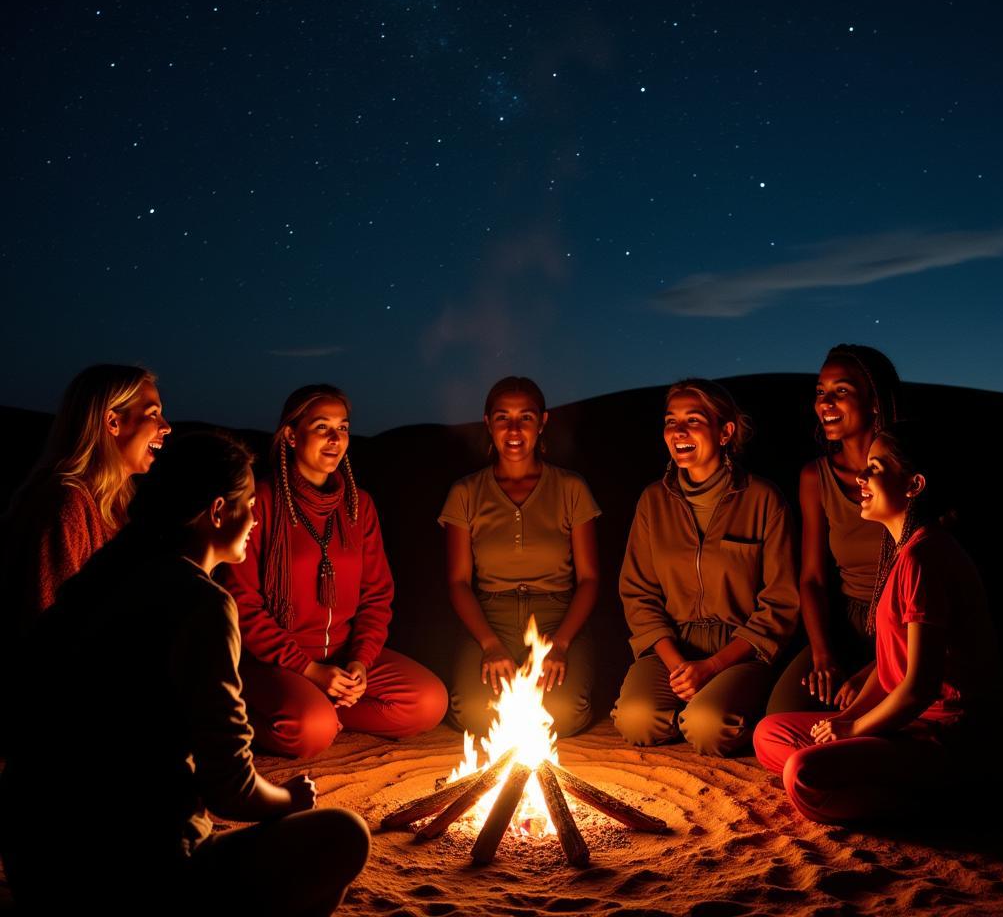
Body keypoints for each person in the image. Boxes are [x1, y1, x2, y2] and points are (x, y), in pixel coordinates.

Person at [0, 432, 370, 917]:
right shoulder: (201, 602)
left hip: (39, 869)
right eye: (248, 506)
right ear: (217, 511)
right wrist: (289, 799)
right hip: (133, 876)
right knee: (344, 834)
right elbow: (231, 788)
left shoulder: (102, 576)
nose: (256, 519)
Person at [753, 423, 1003, 824]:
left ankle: (943, 806)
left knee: (802, 773)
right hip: (902, 726)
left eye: (875, 467)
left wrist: (855, 729)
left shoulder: (924, 558)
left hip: (946, 739)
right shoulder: (904, 551)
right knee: (770, 733)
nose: (862, 476)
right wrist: (845, 719)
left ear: (914, 484)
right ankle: (875, 777)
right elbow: (890, 668)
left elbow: (919, 689)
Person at [221, 384, 447, 758]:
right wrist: (308, 670)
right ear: (292, 435)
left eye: (342, 428)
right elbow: (242, 604)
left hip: (341, 657)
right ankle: (266, 714)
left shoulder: (359, 507)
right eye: (322, 427)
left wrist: (360, 661)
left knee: (428, 702)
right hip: (276, 661)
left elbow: (377, 595)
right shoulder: (260, 501)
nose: (335, 439)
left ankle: (326, 713)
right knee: (308, 733)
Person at [613, 378, 798, 756]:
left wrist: (713, 667)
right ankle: (690, 705)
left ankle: (720, 705)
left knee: (710, 728)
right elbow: (638, 592)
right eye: (670, 421)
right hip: (673, 645)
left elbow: (781, 600)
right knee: (636, 719)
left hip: (739, 648)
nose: (678, 431)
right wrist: (679, 665)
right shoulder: (653, 501)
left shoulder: (762, 498)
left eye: (693, 420)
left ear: (725, 431)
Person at [440, 376, 601, 739]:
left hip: (557, 615)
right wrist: (490, 644)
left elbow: (589, 579)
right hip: (490, 617)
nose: (514, 430)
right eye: (502, 418)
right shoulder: (465, 492)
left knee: (565, 713)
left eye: (525, 418)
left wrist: (559, 645)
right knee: (472, 712)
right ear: (488, 423)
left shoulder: (570, 487)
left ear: (542, 422)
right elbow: (458, 582)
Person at [767, 344, 902, 714]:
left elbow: (935, 583)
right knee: (782, 714)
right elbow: (811, 578)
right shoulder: (816, 477)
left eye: (841, 391)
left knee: (878, 715)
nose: (825, 403)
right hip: (846, 627)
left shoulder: (907, 475)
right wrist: (823, 654)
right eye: (820, 393)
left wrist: (878, 668)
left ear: (874, 401)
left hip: (905, 626)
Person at [1, 363, 171, 623]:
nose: (166, 426)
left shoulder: (114, 505)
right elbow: (50, 627)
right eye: (153, 414)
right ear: (112, 421)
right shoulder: (65, 506)